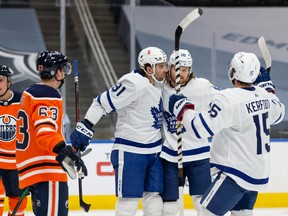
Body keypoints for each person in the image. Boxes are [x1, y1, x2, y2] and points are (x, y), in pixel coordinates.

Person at [168, 52, 285, 216]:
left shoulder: (228, 99)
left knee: (206, 212)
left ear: (233, 72)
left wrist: (183, 110)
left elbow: (200, 128)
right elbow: (279, 113)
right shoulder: (265, 96)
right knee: (242, 214)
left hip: (235, 174)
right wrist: (268, 88)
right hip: (257, 173)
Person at [70, 47, 168, 216]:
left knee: (154, 197)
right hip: (130, 151)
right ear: (149, 68)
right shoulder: (133, 83)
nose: (165, 69)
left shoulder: (159, 85)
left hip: (155, 151)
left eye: (165, 65)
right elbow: (101, 103)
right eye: (161, 66)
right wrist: (86, 125)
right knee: (128, 202)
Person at [15, 51, 87, 216]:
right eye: (64, 69)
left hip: (34, 170)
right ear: (57, 72)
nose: (65, 74)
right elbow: (45, 132)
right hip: (46, 170)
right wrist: (64, 152)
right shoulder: (47, 94)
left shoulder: (29, 93)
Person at [160, 49, 219, 216]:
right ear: (170, 68)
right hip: (171, 155)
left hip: (199, 156)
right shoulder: (161, 88)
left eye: (185, 69)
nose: (181, 73)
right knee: (169, 207)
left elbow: (223, 102)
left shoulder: (202, 86)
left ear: (190, 70)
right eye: (177, 69)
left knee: (203, 204)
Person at [0, 65, 28, 216]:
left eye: (0, 80)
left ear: (9, 82)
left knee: (19, 203)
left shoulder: (23, 101)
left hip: (17, 163)